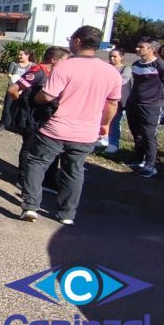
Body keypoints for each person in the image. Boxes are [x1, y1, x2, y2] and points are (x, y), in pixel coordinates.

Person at [20, 26, 121, 225]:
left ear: (77, 41)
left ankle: (31, 206)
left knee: (37, 162)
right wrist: (105, 124)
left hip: (56, 128)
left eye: (71, 38)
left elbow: (47, 95)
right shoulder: (111, 72)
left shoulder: (64, 67)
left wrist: (35, 98)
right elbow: (112, 103)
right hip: (86, 132)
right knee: (74, 171)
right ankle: (66, 214)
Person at [7, 47, 69, 192]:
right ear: (54, 60)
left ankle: (46, 180)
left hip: (46, 117)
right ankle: (23, 179)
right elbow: (12, 90)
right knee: (29, 147)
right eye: (65, 60)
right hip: (32, 118)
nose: (67, 64)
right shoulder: (38, 72)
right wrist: (25, 105)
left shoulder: (54, 74)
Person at [125, 40, 164, 178]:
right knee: (136, 133)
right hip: (133, 104)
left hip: (151, 105)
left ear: (151, 49)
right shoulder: (136, 64)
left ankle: (150, 165)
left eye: (141, 47)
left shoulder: (159, 65)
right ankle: (138, 159)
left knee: (149, 135)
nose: (137, 48)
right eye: (138, 45)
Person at [103, 48, 133, 154]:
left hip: (118, 100)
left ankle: (113, 143)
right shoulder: (106, 67)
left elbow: (124, 80)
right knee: (102, 119)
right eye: (110, 56)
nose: (112, 58)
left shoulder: (126, 68)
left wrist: (108, 83)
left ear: (121, 57)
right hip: (103, 98)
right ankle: (103, 139)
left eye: (115, 56)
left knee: (115, 121)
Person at [0, 49, 34, 131]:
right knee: (8, 106)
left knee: (20, 108)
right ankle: (4, 123)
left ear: (27, 55)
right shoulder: (14, 64)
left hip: (24, 90)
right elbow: (10, 74)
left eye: (21, 55)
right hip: (13, 87)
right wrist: (17, 79)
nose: (19, 56)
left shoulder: (32, 65)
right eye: (19, 54)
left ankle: (15, 125)